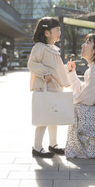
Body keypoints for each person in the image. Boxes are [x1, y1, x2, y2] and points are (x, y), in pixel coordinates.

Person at [27, 17, 70, 158]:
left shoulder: (52, 49)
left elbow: (55, 69)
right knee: (43, 118)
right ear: (46, 33)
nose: (59, 33)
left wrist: (67, 69)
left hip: (53, 88)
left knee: (53, 117)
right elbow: (32, 64)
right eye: (57, 30)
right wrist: (44, 73)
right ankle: (37, 147)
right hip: (44, 88)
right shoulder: (39, 47)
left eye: (60, 30)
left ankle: (53, 144)